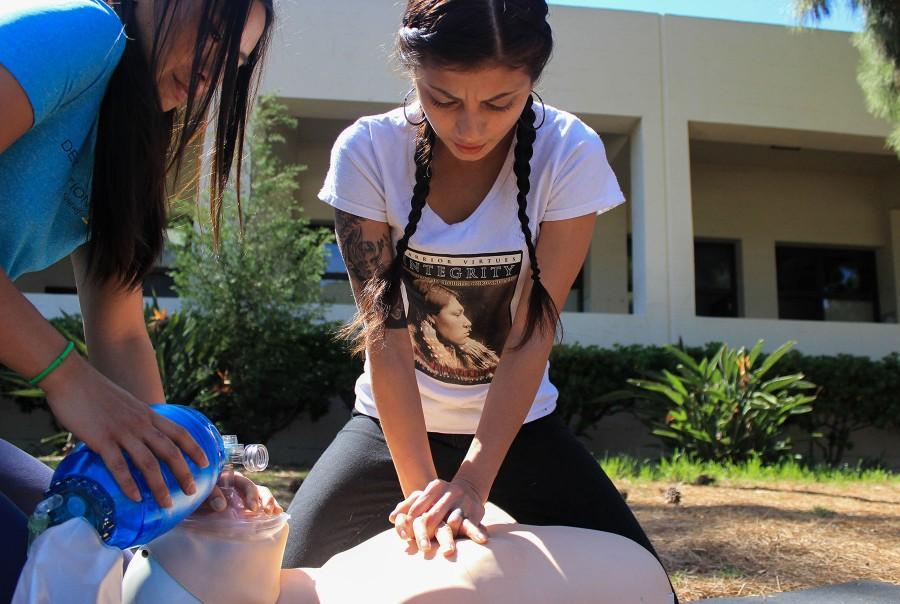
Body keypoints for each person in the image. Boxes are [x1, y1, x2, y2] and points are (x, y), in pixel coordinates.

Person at [282, 1, 678, 600]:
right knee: (281, 582)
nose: (470, 127)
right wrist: (425, 499)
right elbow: (384, 339)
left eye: (500, 103)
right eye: (444, 100)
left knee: (651, 589)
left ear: (532, 83)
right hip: (388, 428)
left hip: (519, 428)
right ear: (413, 74)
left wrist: (472, 481)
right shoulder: (366, 151)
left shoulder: (568, 152)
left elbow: (531, 334)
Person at [0, 0, 274, 598]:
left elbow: (121, 333)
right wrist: (65, 378)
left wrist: (172, 469)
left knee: (64, 552)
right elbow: (83, 376)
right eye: (215, 36)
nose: (214, 74)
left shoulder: (132, 131)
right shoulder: (86, 35)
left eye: (236, 62)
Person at [407, 279, 500, 384]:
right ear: (430, 318)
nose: (468, 323)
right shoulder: (410, 345)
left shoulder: (474, 353)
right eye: (457, 315)